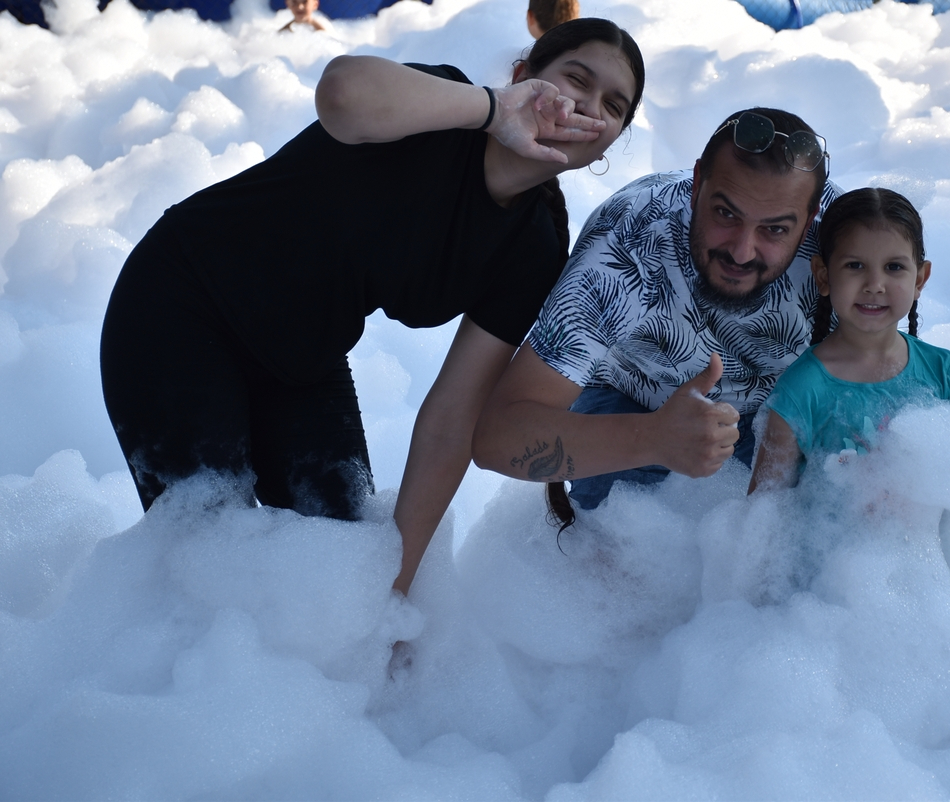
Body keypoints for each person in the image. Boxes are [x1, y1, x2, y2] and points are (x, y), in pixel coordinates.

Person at [99, 18, 646, 596]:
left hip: (301, 362)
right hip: (183, 305)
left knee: (345, 569)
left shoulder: (534, 247)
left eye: (613, 106)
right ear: (522, 76)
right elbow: (341, 94)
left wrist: (393, 593)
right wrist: (490, 109)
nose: (589, 106)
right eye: (576, 79)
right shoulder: (444, 109)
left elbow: (452, 419)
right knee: (207, 569)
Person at [472, 108, 841, 524]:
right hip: (632, 401)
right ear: (697, 184)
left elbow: (883, 367)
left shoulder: (844, 240)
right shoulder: (626, 243)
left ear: (809, 219)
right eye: (726, 214)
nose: (742, 252)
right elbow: (497, 437)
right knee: (619, 549)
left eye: (774, 230)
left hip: (783, 407)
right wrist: (652, 438)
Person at [747, 188, 950, 494]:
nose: (875, 285)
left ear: (920, 279)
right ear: (823, 276)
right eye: (855, 265)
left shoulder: (943, 372)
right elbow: (763, 509)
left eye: (894, 267)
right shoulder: (802, 390)